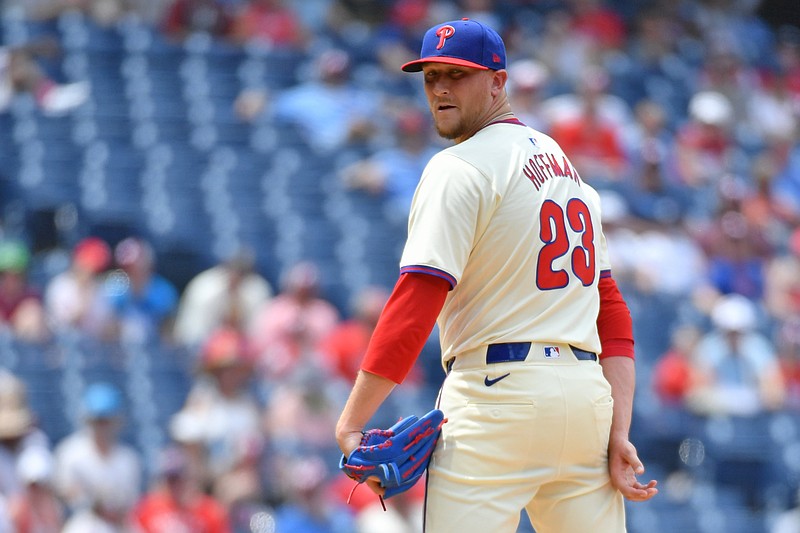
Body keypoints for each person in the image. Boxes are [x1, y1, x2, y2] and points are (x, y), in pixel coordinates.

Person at [334, 18, 657, 533]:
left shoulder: (458, 166)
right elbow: (611, 309)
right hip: (583, 403)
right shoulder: (564, 168)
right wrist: (618, 429)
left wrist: (352, 421)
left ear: (498, 82)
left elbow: (418, 296)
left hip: (496, 400)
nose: (440, 88)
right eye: (430, 76)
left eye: (457, 75)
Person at [53, 382, 142, 520]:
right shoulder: (70, 454)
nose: (101, 427)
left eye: (106, 421)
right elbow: (64, 496)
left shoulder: (128, 459)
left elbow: (129, 504)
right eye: (97, 421)